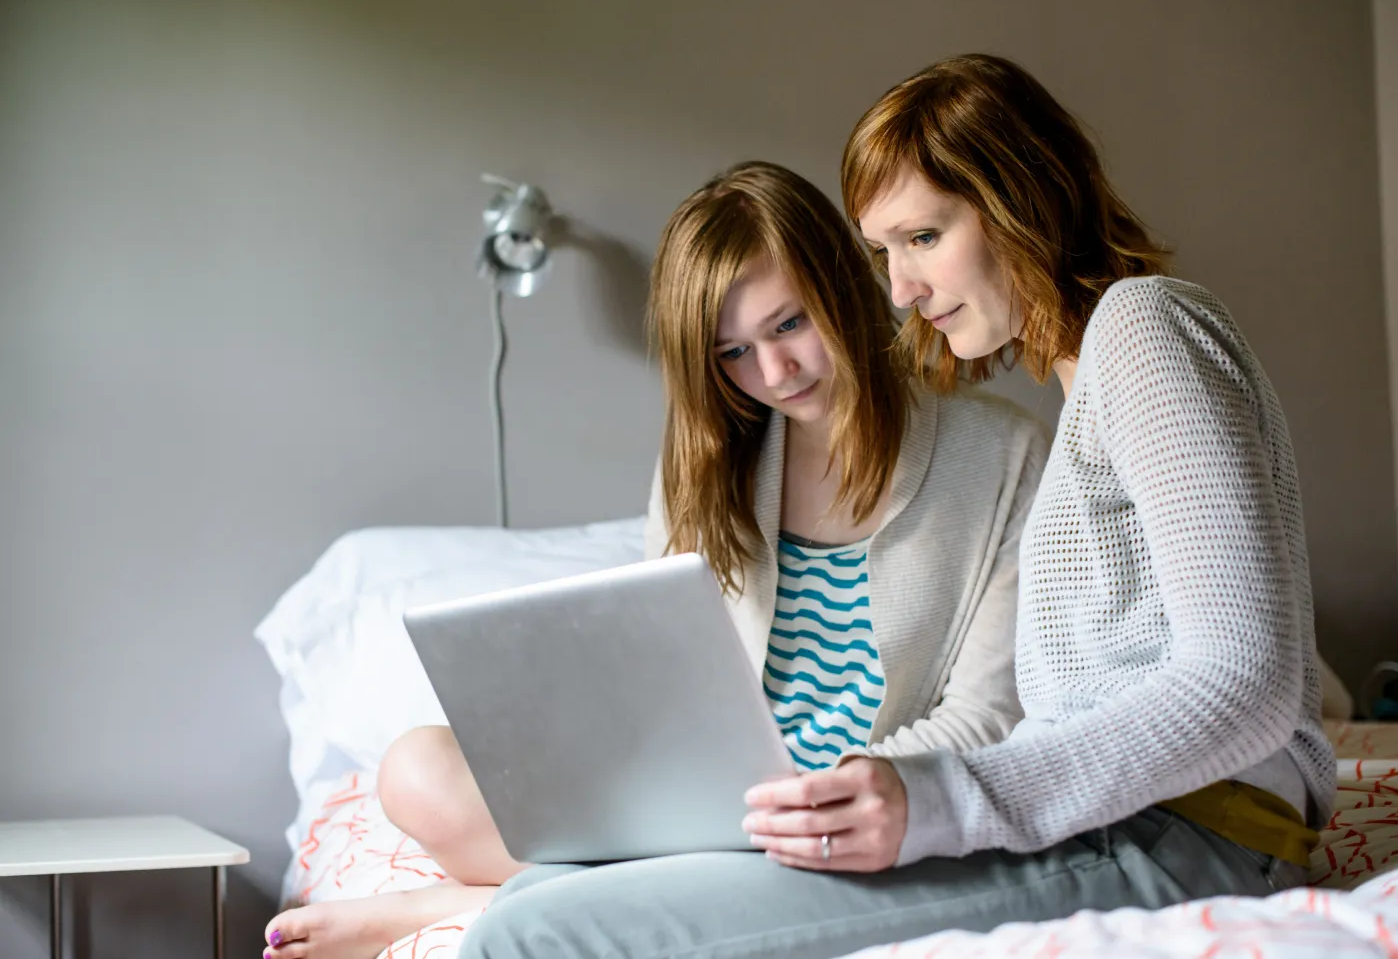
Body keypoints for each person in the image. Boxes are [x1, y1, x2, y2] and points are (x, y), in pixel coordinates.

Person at [453, 54, 1333, 959]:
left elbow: (1248, 683)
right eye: (884, 253)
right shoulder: (1095, 392)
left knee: (535, 933)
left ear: (1017, 198)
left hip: (1181, 833)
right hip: (1111, 820)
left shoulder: (1143, 328)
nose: (902, 291)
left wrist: (943, 801)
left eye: (922, 238)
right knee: (544, 890)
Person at [260, 158, 1046, 959]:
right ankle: (650, 879)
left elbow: (989, 712)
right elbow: (659, 677)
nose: (774, 374)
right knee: (413, 767)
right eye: (732, 353)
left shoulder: (1003, 453)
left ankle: (474, 902)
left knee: (784, 852)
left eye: (788, 325)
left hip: (864, 805)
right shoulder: (707, 465)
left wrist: (839, 796)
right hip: (704, 808)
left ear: (842, 283)